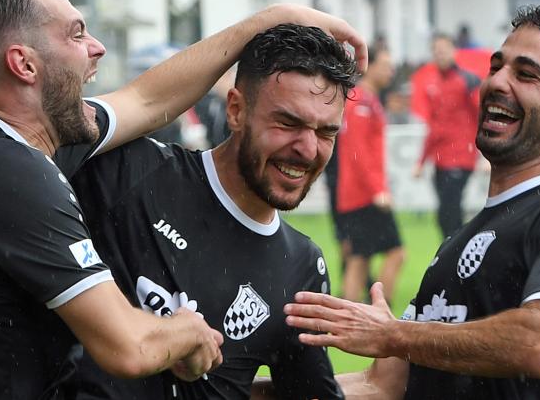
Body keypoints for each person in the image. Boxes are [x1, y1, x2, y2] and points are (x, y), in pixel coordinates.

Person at [0, 0, 366, 398]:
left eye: (326, 131)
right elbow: (130, 347)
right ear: (25, 64)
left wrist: (269, 18)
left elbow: (143, 99)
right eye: (76, 34)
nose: (96, 47)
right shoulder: (16, 171)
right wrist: (188, 332)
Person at [283, 4, 540, 399]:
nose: (498, 82)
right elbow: (381, 385)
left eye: (526, 75)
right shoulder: (458, 244)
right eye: (496, 67)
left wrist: (394, 333)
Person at [69, 23, 353, 400]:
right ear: (236, 110)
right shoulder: (131, 173)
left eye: (326, 133)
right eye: (288, 123)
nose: (308, 149)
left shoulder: (301, 266)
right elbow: (23, 141)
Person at [335, 47, 406, 303]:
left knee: (359, 258)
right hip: (363, 194)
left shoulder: (366, 100)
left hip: (356, 193)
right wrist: (378, 190)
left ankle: (350, 317)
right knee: (396, 253)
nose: (390, 71)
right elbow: (358, 152)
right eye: (385, 65)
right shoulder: (361, 101)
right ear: (370, 66)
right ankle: (379, 312)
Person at [413, 33, 482, 238]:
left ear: (454, 51)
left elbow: (482, 116)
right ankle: (454, 253)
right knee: (445, 214)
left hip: (461, 156)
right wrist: (421, 161)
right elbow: (434, 128)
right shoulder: (432, 84)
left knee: (449, 210)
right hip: (440, 159)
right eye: (436, 50)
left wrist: (487, 156)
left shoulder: (467, 81)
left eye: (444, 49)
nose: (440, 54)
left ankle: (456, 252)